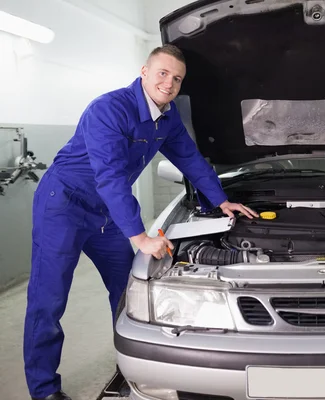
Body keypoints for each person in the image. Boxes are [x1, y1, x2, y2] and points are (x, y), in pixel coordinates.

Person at [23, 44, 258, 400]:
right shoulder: (109, 109)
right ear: (144, 72)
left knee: (129, 291)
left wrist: (221, 200)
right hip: (64, 206)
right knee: (49, 299)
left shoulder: (168, 116)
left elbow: (189, 159)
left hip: (105, 211)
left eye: (177, 78)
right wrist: (139, 236)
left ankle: (132, 365)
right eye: (162, 73)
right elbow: (111, 179)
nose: (169, 83)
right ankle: (43, 390)